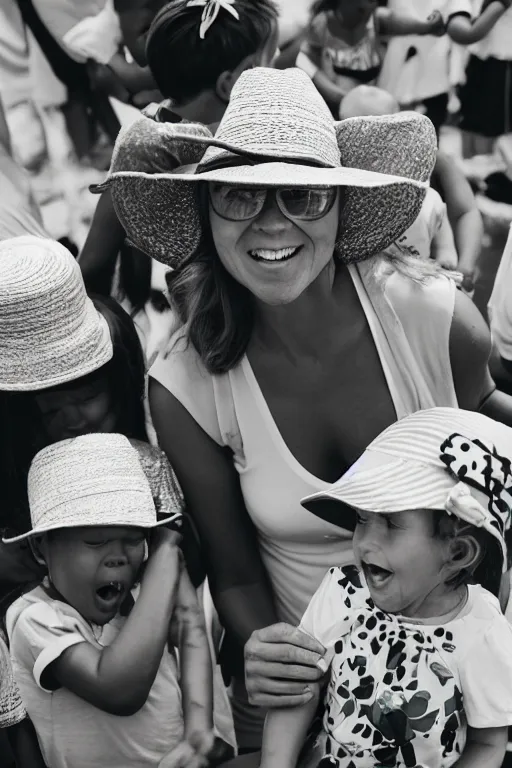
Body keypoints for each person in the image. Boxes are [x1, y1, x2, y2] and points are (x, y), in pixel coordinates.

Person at [99, 66, 512, 749]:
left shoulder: (435, 322)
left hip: (467, 680)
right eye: (239, 197)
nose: (272, 224)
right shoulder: (184, 383)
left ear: (343, 206)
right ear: (205, 211)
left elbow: (489, 442)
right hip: (308, 693)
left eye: (303, 194)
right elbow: (233, 568)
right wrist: (270, 648)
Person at [260, 407, 512, 768]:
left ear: (456, 552)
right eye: (362, 518)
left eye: (391, 524)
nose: (365, 543)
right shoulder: (343, 592)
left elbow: (488, 744)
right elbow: (300, 690)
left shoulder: (481, 631)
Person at [80, 0, 278, 361]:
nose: (275, 72)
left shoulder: (145, 134)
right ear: (230, 83)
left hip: (176, 333)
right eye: (268, 64)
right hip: (230, 325)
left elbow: (93, 263)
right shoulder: (238, 143)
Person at [5, 432, 213, 768]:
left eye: (133, 539)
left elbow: (191, 627)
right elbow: (118, 689)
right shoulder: (35, 617)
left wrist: (198, 733)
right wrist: (166, 553)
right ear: (40, 548)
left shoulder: (145, 591)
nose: (117, 557)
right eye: (95, 542)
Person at [339, 84, 484, 293]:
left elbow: (465, 212)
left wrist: (463, 266)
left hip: (424, 278)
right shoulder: (339, 171)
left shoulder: (428, 160)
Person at [296, 0, 445, 115]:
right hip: (334, 112)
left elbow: (410, 24)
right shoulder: (321, 25)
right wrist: (344, 98)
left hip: (369, 111)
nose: (368, 12)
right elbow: (306, 66)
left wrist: (428, 26)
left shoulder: (375, 19)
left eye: (373, 4)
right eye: (361, 10)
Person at [448, 0, 512, 158]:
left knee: (487, 129)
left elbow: (470, 33)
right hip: (477, 59)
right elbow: (467, 32)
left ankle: (485, 175)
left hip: (500, 62)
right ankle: (474, 175)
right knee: (470, 124)